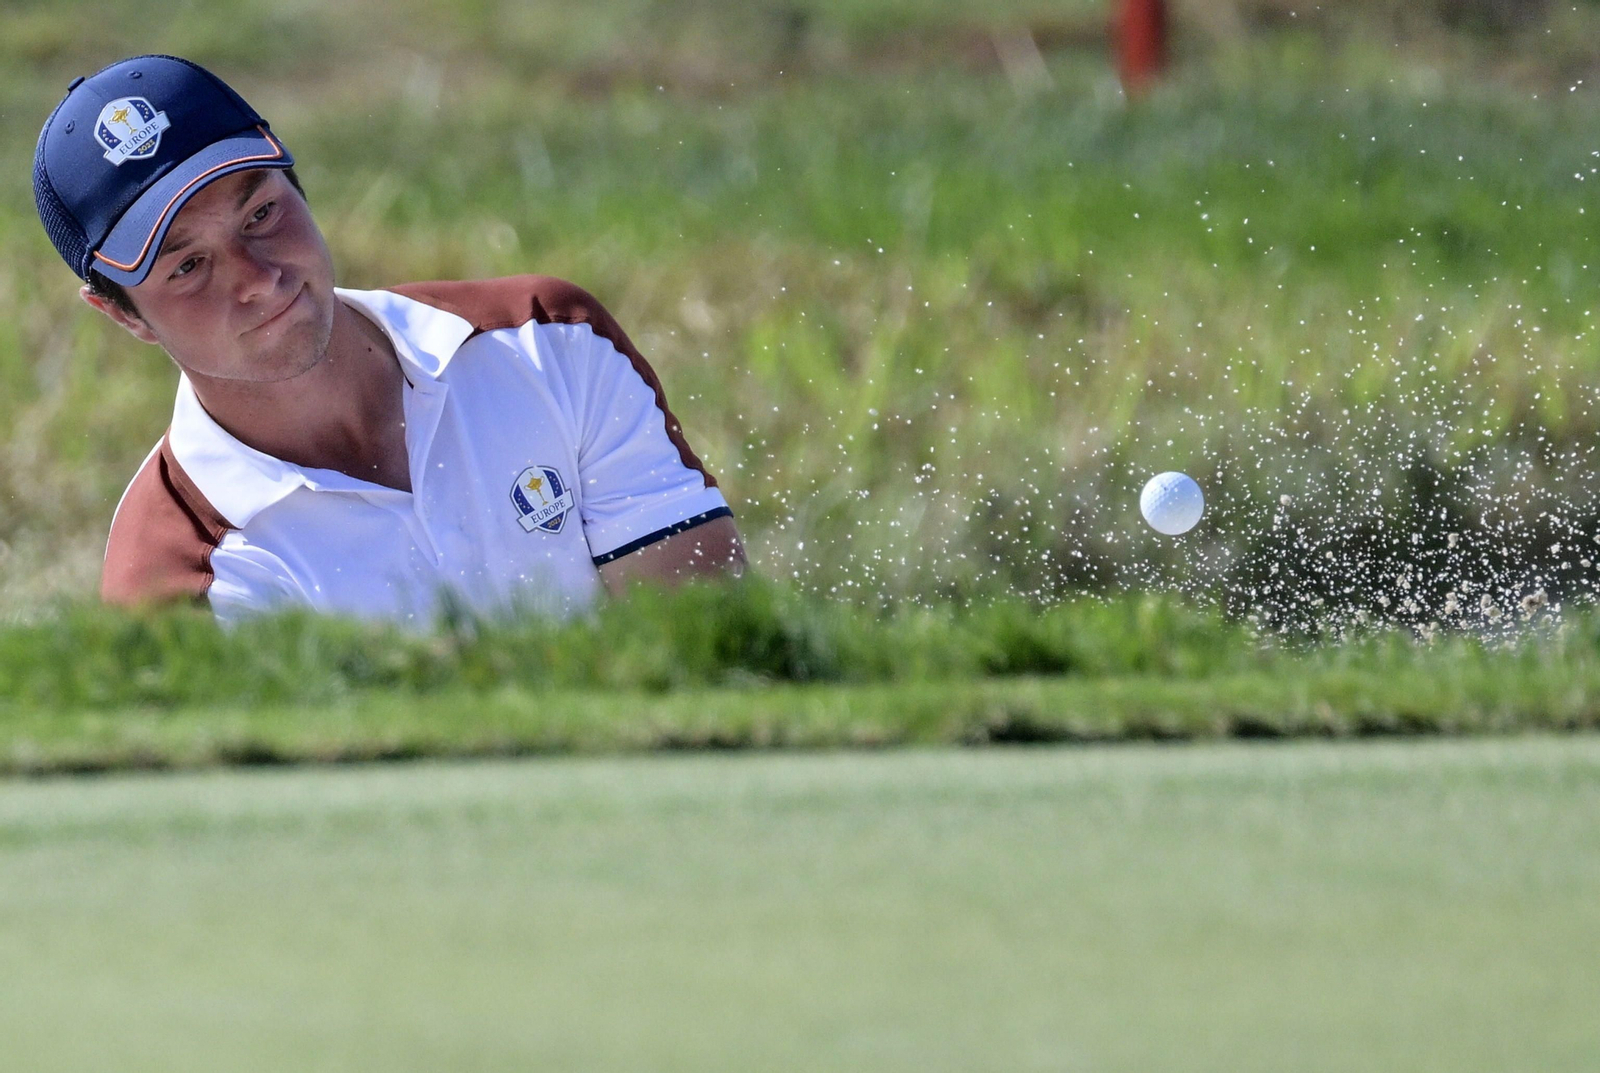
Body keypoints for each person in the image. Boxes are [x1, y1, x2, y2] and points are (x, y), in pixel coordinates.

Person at [32, 54, 744, 626]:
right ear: (122, 314)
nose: (258, 278)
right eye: (188, 265)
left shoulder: (550, 337)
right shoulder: (172, 577)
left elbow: (708, 649)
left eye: (260, 213)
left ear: (297, 185)